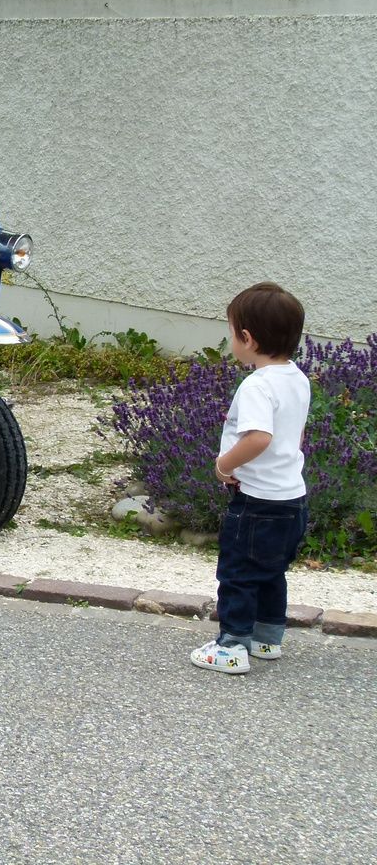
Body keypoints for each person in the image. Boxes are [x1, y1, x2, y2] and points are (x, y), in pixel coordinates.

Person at [191, 282, 311, 674]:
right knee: (271, 571)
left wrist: (224, 466)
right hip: (293, 500)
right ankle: (266, 639)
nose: (231, 341)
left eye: (232, 332)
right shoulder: (297, 378)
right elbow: (296, 433)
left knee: (238, 573)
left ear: (247, 337)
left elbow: (260, 436)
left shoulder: (258, 384)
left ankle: (232, 646)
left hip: (256, 501)